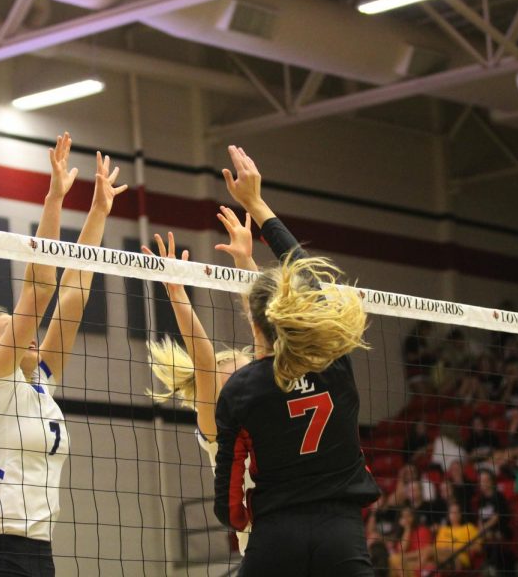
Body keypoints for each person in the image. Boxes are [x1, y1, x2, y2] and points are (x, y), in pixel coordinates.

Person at [0, 135, 126, 577]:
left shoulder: (40, 382)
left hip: (39, 554)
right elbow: (39, 290)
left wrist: (98, 213)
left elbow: (75, 293)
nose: (30, 337)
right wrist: (53, 199)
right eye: (15, 333)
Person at [213, 145, 380, 576]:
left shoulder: (242, 387)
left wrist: (236, 519)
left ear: (255, 323)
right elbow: (308, 276)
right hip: (340, 531)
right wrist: (256, 202)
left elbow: (229, 484)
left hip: (275, 533)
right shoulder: (335, 357)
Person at [143, 223, 255, 552]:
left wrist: (247, 264)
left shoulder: (277, 413)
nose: (245, 388)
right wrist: (178, 295)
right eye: (233, 385)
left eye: (247, 377)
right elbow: (204, 364)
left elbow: (266, 328)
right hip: (263, 555)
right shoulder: (218, 436)